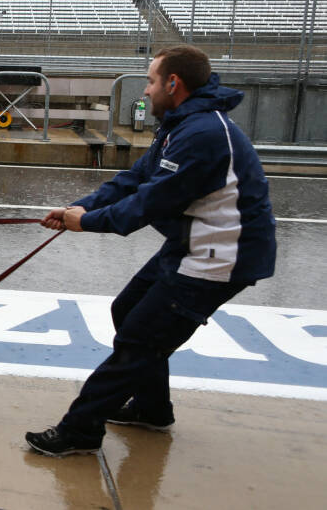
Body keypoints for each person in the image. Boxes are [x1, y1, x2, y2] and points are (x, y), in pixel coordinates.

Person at [25, 45, 276, 456]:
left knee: (139, 342)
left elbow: (150, 202)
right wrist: (83, 206)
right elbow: (135, 179)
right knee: (128, 310)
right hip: (192, 243)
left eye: (151, 80)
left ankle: (81, 430)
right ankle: (152, 409)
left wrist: (85, 222)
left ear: (173, 83)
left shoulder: (204, 134)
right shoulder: (181, 125)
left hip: (220, 256)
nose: (146, 90)